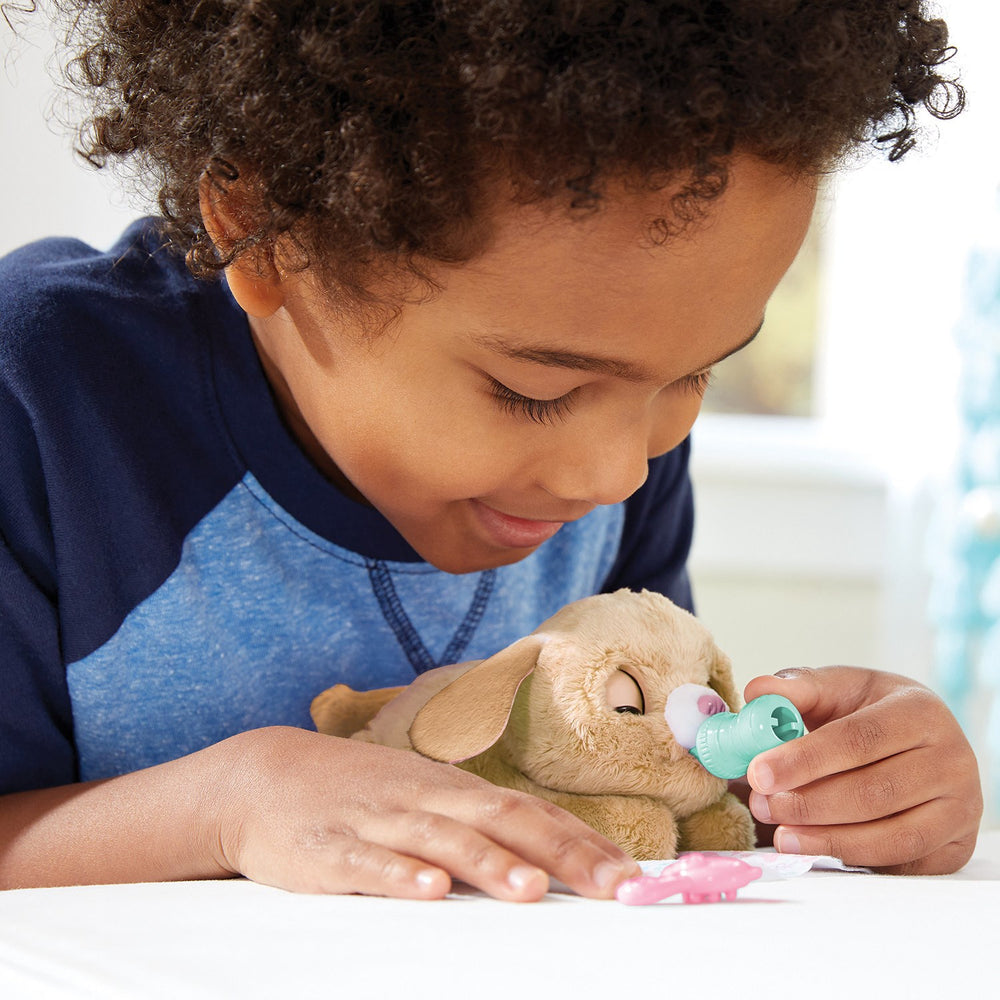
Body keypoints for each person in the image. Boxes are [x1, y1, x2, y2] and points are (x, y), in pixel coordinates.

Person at [0, 0, 982, 899]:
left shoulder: (613, 428)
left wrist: (827, 786)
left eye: (695, 376)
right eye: (535, 393)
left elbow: (635, 792)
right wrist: (227, 803)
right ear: (264, 235)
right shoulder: (43, 403)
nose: (617, 475)